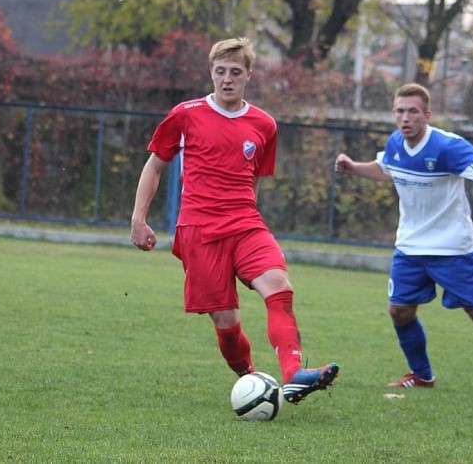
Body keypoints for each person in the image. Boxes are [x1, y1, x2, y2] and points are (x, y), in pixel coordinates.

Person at [130, 37, 338, 404]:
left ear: (248, 76)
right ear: (211, 73)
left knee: (279, 287)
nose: (227, 79)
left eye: (235, 72)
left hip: (245, 223)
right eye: (220, 71)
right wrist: (138, 219)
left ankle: (294, 374)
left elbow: (254, 178)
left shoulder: (265, 124)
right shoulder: (185, 114)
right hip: (200, 230)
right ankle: (252, 380)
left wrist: (247, 214)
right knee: (226, 324)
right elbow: (155, 165)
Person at [334, 83, 473, 397]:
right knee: (399, 311)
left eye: (412, 111)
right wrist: (354, 168)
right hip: (410, 247)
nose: (405, 117)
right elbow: (387, 168)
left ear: (427, 114)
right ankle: (422, 375)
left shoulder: (449, 147)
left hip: (453, 248)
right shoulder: (396, 143)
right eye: (399, 111)